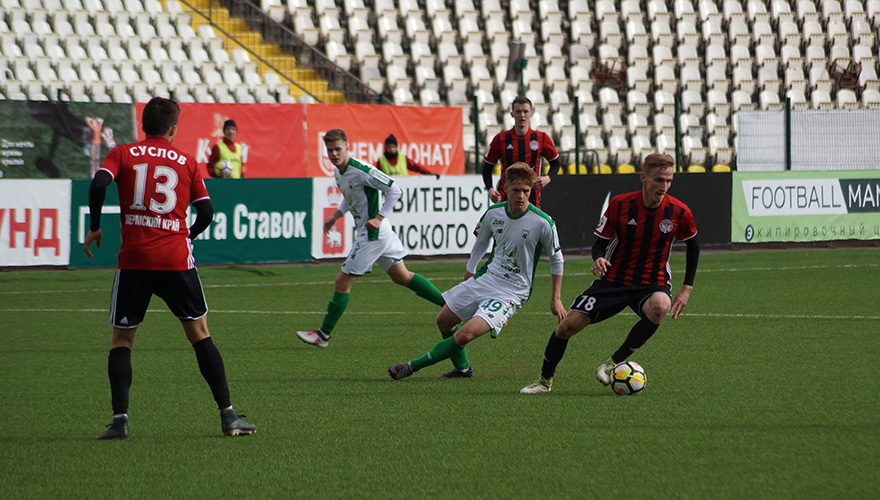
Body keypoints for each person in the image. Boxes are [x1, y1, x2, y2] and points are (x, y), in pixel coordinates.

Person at [84, 97, 256, 439]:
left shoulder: (122, 153)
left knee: (122, 338)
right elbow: (206, 213)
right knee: (199, 334)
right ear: (173, 128)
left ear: (144, 125)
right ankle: (228, 416)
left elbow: (99, 184)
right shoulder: (187, 161)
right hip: (175, 258)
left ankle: (120, 421)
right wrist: (185, 236)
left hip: (134, 260)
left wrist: (95, 225)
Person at [520, 153, 700, 394]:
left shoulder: (679, 211)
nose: (664, 186)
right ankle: (544, 382)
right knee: (566, 327)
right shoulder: (621, 204)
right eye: (659, 180)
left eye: (669, 180)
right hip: (615, 280)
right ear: (643, 178)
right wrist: (598, 259)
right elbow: (599, 244)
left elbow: (694, 245)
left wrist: (686, 289)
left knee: (660, 307)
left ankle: (612, 363)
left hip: (652, 282)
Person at [388, 162, 566, 381]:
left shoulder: (543, 222)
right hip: (487, 278)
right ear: (505, 189)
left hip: (512, 291)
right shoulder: (493, 213)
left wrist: (555, 298)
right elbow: (481, 241)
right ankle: (462, 369)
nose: (521, 196)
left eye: (526, 191)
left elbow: (557, 259)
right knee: (443, 321)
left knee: (464, 334)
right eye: (516, 190)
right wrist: (470, 269)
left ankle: (410, 367)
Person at [296, 129, 446, 348]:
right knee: (402, 277)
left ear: (347, 147)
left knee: (342, 282)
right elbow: (350, 196)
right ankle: (452, 307)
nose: (334, 154)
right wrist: (335, 216)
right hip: (375, 232)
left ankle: (323, 335)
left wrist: (378, 217)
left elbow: (394, 189)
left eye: (338, 149)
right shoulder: (339, 171)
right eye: (330, 150)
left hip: (373, 233)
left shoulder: (361, 169)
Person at [482, 96, 561, 208]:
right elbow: (486, 168)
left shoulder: (541, 138)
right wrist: (490, 189)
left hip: (532, 199)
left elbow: (556, 163)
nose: (522, 115)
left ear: (531, 114)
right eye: (518, 112)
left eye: (525, 111)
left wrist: (547, 178)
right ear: (512, 114)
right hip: (505, 198)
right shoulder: (500, 139)